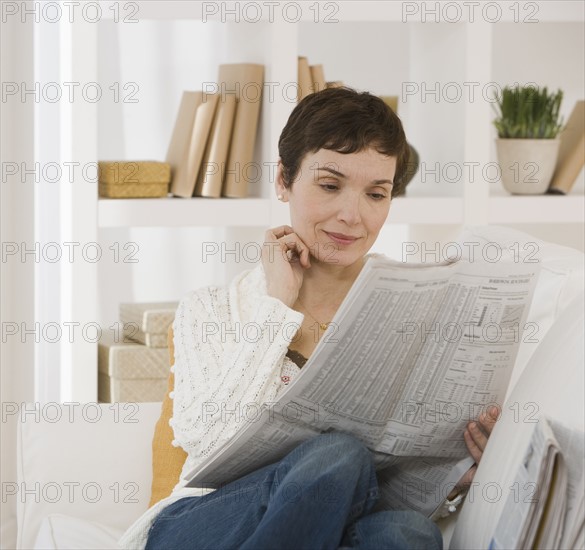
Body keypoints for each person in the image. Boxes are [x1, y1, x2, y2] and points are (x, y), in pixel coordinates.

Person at [120, 87, 498, 550]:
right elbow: (204, 444)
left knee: (408, 532)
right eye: (330, 185)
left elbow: (396, 485)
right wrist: (276, 305)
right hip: (203, 525)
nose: (351, 216)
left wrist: (455, 477)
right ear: (283, 180)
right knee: (337, 455)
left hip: (333, 529)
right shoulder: (210, 309)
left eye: (376, 194)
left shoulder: (414, 315)